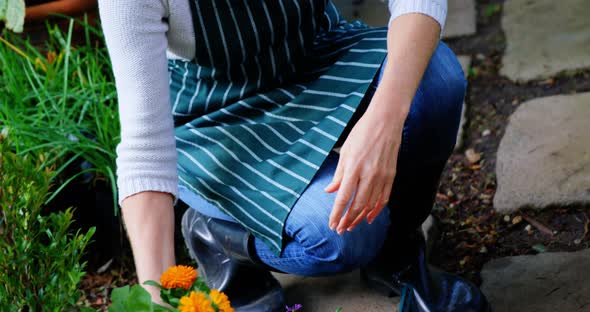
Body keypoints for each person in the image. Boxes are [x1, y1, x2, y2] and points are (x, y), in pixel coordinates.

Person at [99, 0, 491, 311]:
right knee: (342, 234)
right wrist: (159, 300)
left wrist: (385, 118)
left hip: (315, 56)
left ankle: (397, 253)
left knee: (435, 79)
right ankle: (216, 233)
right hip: (217, 118)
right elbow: (145, 150)